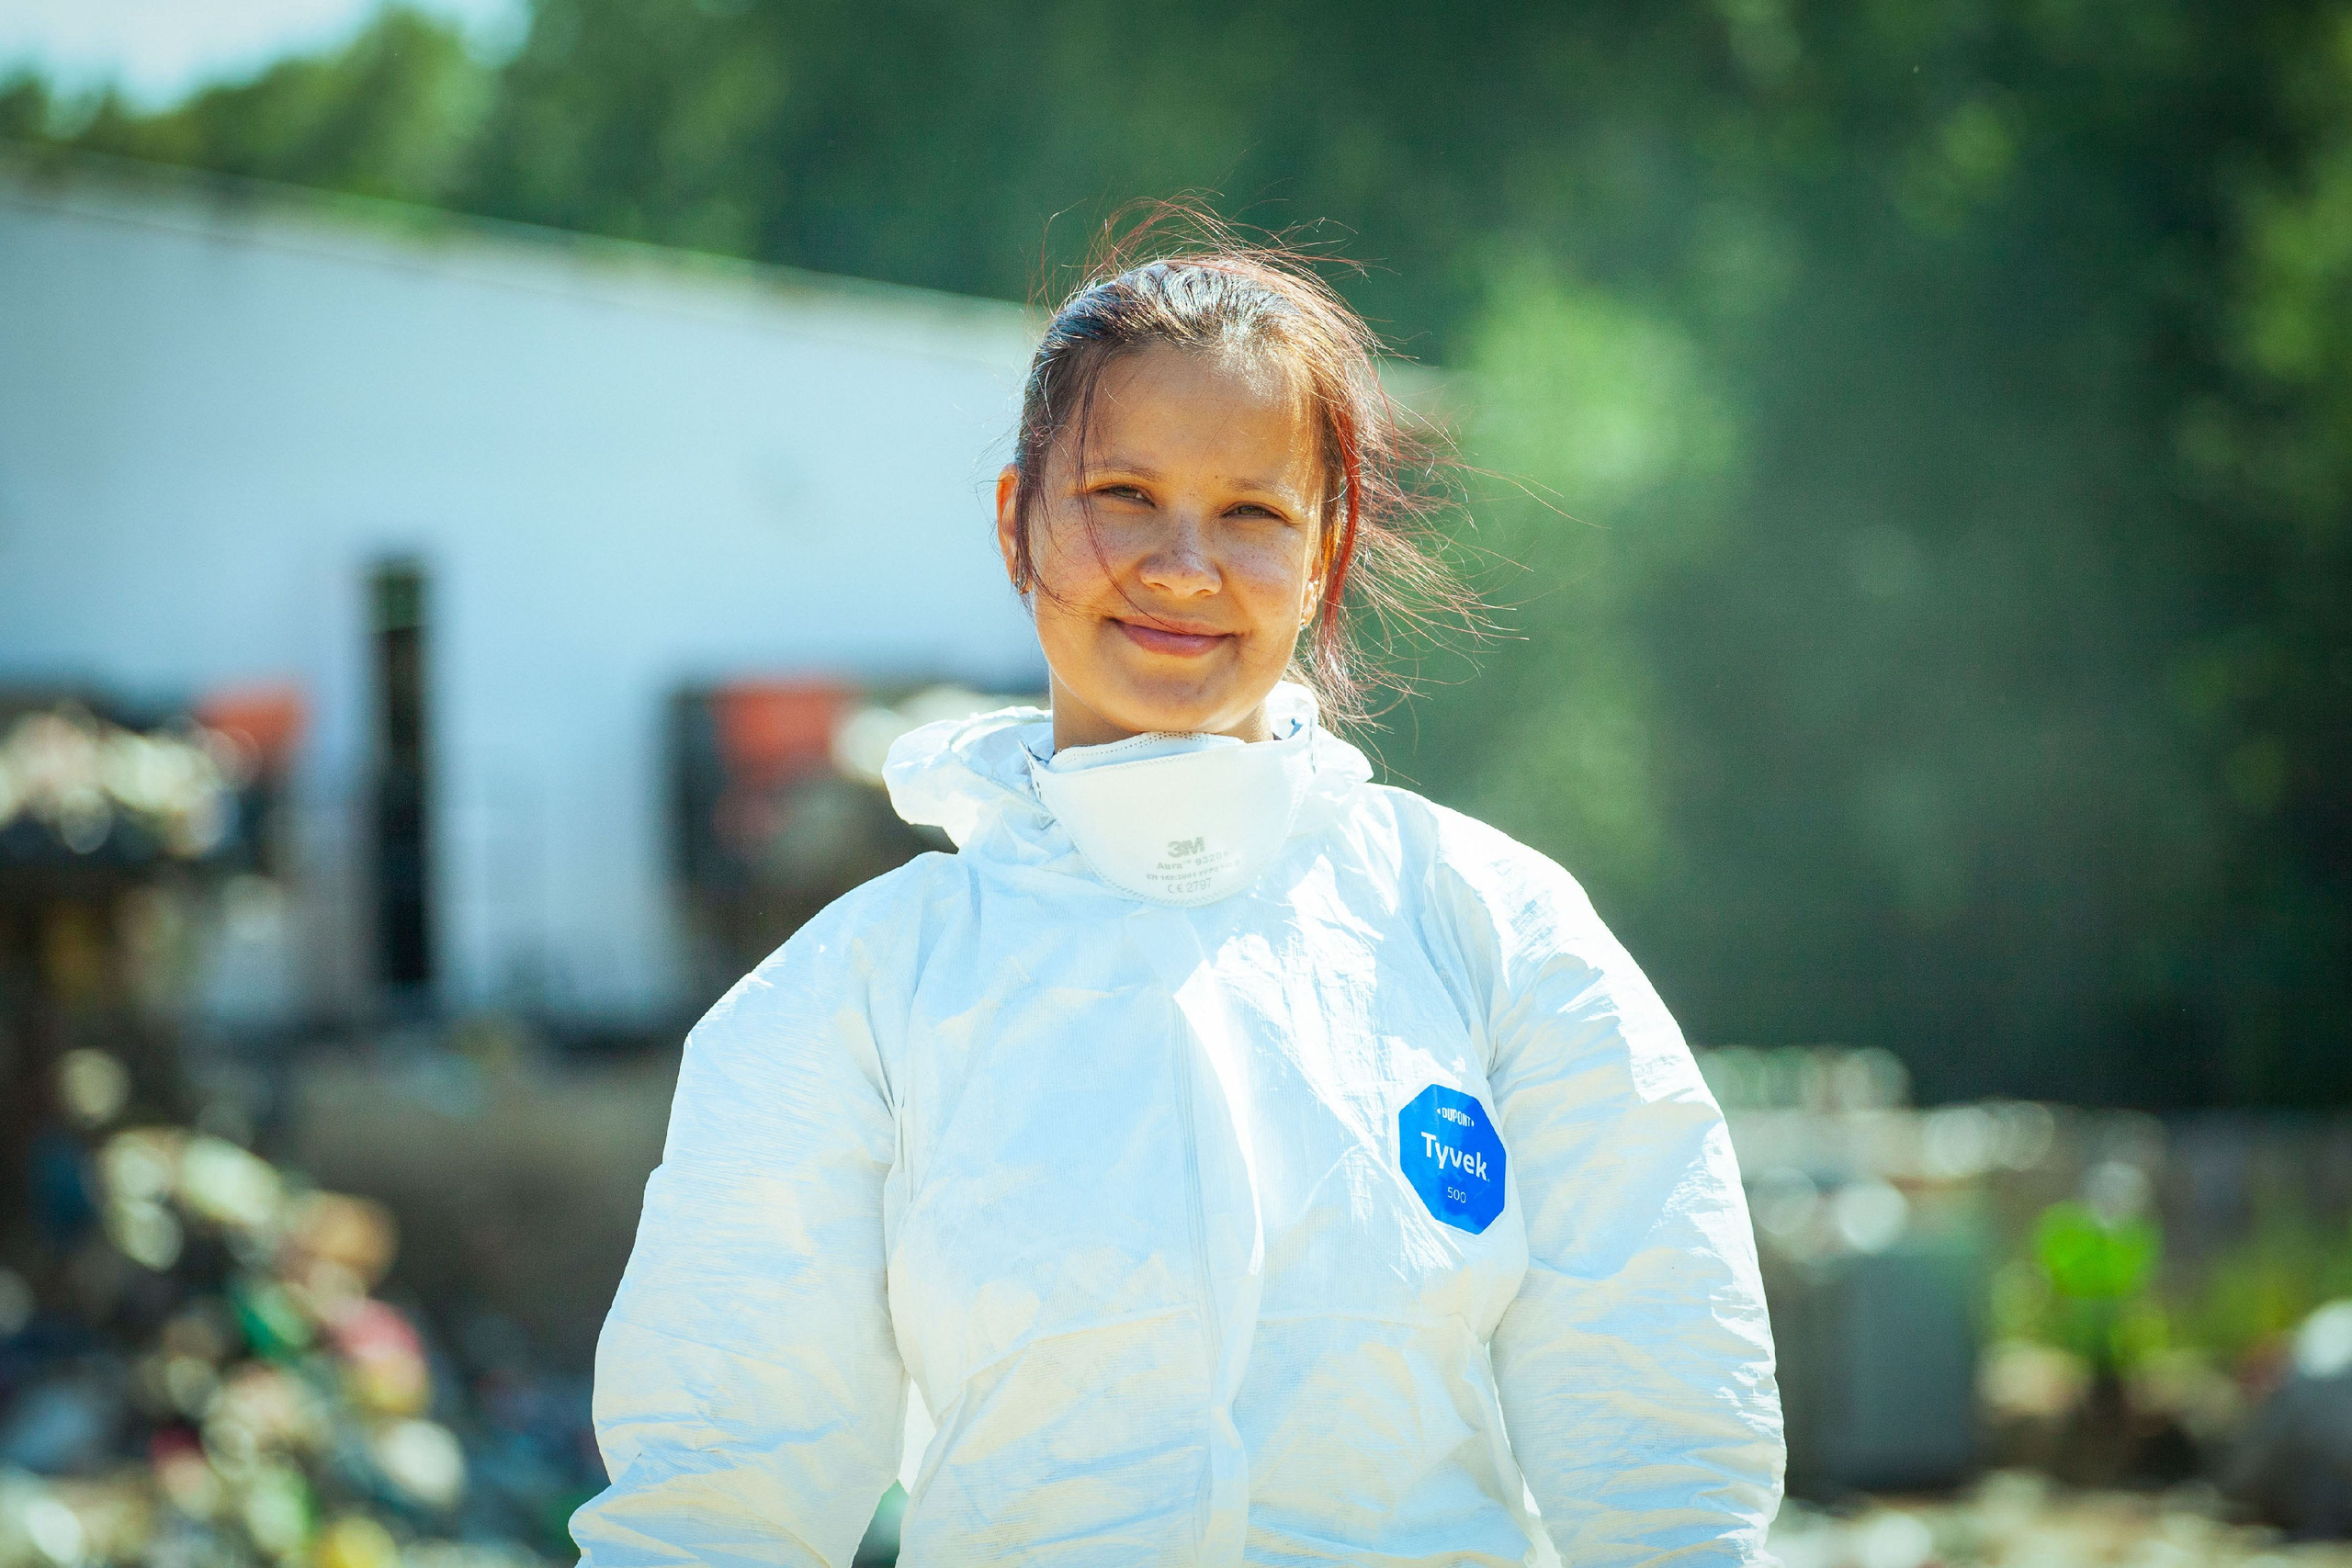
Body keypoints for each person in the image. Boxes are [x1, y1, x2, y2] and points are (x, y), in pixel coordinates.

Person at [570, 229, 1784, 1567]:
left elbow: (1671, 1460)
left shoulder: (1492, 931)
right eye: (1123, 496)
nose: (1184, 566)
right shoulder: (861, 996)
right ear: (1014, 524)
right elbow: (709, 1509)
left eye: (1254, 513)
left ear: (1327, 556)